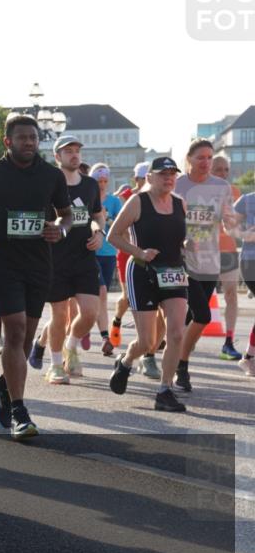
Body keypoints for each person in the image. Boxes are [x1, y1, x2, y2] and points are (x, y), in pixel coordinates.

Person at [0, 114, 72, 439]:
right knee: (16, 329)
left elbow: (66, 216)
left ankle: (0, 385)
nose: (29, 143)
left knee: (24, 341)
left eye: (34, 138)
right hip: (3, 263)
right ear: (8, 142)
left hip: (39, 264)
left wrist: (60, 230)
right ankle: (19, 412)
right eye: (22, 138)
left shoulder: (51, 176)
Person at [107, 157, 189, 412]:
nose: (169, 178)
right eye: (163, 173)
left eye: (172, 173)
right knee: (147, 342)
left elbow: (177, 238)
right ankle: (127, 360)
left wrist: (187, 247)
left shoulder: (179, 203)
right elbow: (113, 236)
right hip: (143, 272)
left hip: (174, 272)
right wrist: (139, 252)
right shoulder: (137, 201)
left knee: (176, 333)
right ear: (150, 177)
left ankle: (165, 390)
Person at [36, 136, 104, 385]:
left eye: (77, 151)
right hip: (55, 258)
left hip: (84, 255)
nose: (74, 155)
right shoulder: (47, 184)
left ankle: (71, 345)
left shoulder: (89, 185)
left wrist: (98, 232)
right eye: (68, 152)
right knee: (59, 313)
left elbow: (97, 214)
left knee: (90, 312)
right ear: (57, 157)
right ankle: (55, 365)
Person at [173, 139, 237, 392]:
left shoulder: (221, 187)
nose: (206, 162)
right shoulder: (177, 185)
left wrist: (234, 223)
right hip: (180, 261)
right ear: (189, 158)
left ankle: (174, 357)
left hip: (210, 261)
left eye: (210, 157)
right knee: (202, 315)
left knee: (190, 318)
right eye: (201, 157)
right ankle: (182, 367)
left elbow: (227, 221)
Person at [109, 163, 149, 347]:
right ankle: (117, 321)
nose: (148, 182)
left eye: (150, 178)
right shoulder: (126, 197)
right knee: (127, 297)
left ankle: (149, 339)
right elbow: (121, 231)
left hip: (150, 254)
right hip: (128, 253)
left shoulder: (159, 198)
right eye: (144, 179)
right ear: (137, 179)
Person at [211, 154, 242, 361]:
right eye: (218, 170)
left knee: (231, 294)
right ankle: (184, 341)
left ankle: (229, 342)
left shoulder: (235, 192)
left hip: (229, 251)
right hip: (206, 252)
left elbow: (238, 224)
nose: (223, 174)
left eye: (226, 170)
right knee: (199, 300)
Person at [91, 164, 123, 357]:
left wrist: (106, 219)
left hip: (109, 252)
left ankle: (89, 327)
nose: (102, 185)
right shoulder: (87, 198)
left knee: (100, 295)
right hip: (91, 252)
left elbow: (120, 223)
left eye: (104, 181)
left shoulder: (114, 201)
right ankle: (104, 336)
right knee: (101, 292)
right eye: (98, 181)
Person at [233, 189, 255, 377]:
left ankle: (249, 357)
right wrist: (245, 234)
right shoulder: (247, 200)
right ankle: (249, 357)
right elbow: (228, 224)